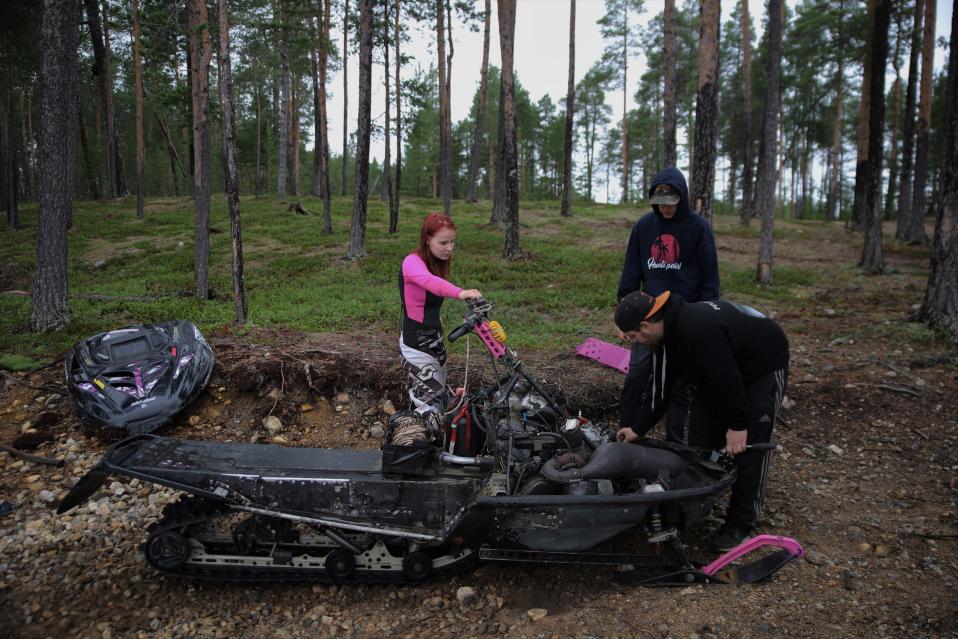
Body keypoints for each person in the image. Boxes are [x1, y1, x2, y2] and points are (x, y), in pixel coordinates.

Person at [613, 290, 789, 552]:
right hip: (720, 368)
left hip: (760, 364)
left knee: (751, 446)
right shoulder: (660, 339)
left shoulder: (698, 330)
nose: (634, 342)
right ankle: (703, 501)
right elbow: (661, 389)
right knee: (701, 436)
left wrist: (738, 425)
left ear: (646, 325)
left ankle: (741, 523)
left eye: (633, 336)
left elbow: (727, 378)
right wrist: (637, 428)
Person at [617, 167, 720, 444]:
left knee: (679, 386)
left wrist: (707, 317)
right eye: (660, 204)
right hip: (647, 317)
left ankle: (674, 444)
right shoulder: (644, 227)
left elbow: (710, 280)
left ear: (682, 199)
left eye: (671, 204)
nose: (666, 209)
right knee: (637, 376)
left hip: (685, 318)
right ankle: (624, 434)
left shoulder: (698, 228)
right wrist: (623, 318)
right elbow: (630, 274)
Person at [397, 213, 481, 439]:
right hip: (416, 344)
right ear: (427, 239)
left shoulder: (436, 263)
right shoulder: (412, 262)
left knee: (438, 399)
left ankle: (434, 448)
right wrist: (460, 293)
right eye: (443, 242)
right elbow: (430, 283)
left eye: (452, 242)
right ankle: (415, 452)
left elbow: (431, 307)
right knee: (428, 405)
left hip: (435, 340)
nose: (449, 248)